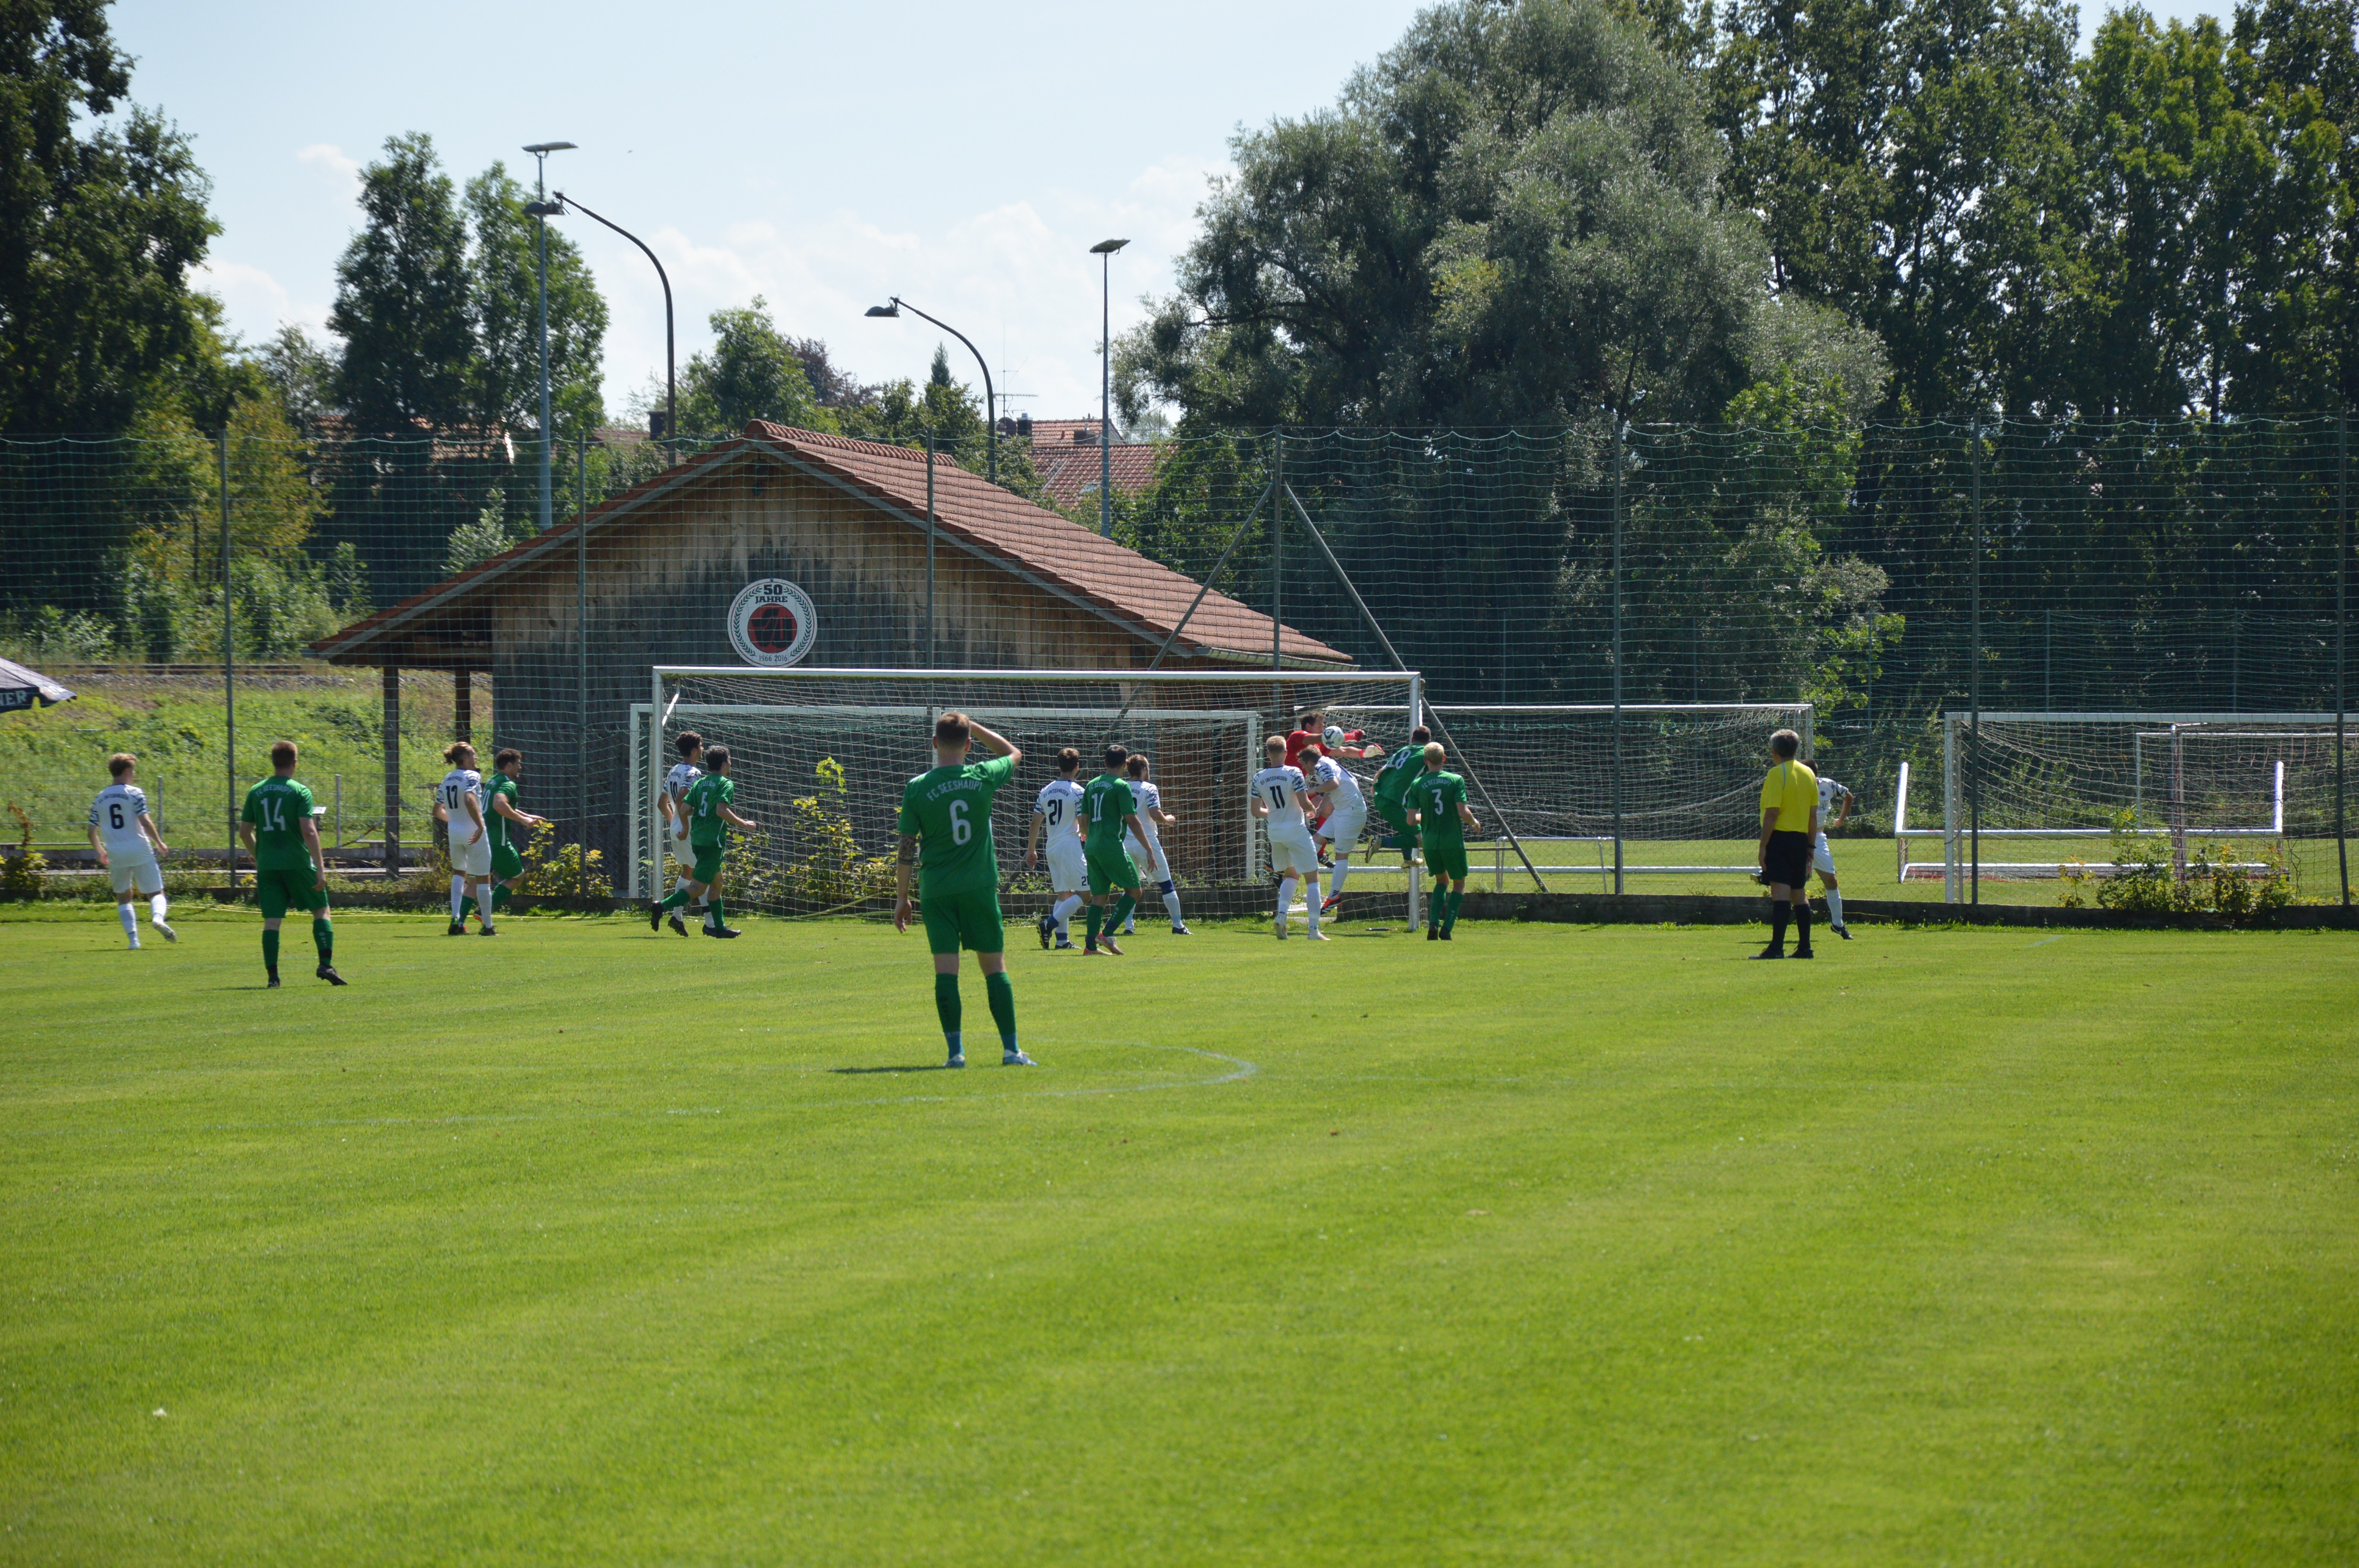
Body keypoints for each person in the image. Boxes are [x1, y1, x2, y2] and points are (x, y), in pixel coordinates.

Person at [894, 711, 1032, 1067]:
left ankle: (955, 1054)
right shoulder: (982, 775)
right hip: (978, 886)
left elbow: (906, 848)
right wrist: (976, 726)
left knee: (945, 970)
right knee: (994, 967)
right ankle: (1011, 1051)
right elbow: (1013, 753)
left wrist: (902, 897)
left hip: (937, 890)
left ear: (935, 743)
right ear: (969, 745)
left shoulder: (917, 787)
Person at [237, 740, 344, 987]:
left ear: (273, 762)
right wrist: (320, 868)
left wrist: (259, 856)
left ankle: (273, 977)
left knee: (272, 920)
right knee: (321, 909)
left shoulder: (256, 791)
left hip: (268, 865)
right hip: (297, 862)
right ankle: (325, 964)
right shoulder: (300, 791)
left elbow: (244, 832)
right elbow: (309, 831)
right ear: (295, 763)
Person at [651, 744, 756, 937]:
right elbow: (721, 811)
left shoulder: (700, 783)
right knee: (698, 888)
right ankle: (662, 906)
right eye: (729, 760)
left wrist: (692, 820)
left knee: (717, 882)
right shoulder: (725, 784)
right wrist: (745, 824)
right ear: (724, 764)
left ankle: (717, 928)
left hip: (698, 839)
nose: (730, 763)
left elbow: (684, 809)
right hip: (712, 842)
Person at [87, 752, 173, 949]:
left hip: (115, 852)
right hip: (139, 848)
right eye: (133, 770)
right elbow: (146, 822)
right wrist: (159, 842)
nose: (134, 774)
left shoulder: (100, 797)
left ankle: (134, 940)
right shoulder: (135, 793)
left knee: (124, 897)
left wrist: (101, 851)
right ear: (127, 771)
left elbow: (91, 831)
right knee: (156, 892)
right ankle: (158, 919)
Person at [1079, 742, 1153, 954]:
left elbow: (1083, 821)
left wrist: (1088, 834)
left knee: (1099, 897)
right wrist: (1148, 849)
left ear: (1105, 762)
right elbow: (1132, 820)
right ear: (1125, 764)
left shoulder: (1091, 785)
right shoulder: (1121, 786)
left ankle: (1090, 946)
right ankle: (1108, 933)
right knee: (1135, 891)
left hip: (1091, 846)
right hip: (1111, 845)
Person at [1754, 728, 1820, 960]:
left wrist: (1763, 846)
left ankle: (1776, 948)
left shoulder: (1776, 774)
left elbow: (1772, 813)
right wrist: (1811, 846)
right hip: (1801, 840)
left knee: (1780, 894)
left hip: (1780, 839)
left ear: (1774, 751)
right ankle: (1805, 948)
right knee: (1799, 893)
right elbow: (1813, 815)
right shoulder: (1809, 773)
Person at [1251, 734, 1324, 940]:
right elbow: (1304, 803)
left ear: (1267, 754)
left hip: (1275, 833)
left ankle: (1281, 917)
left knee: (1291, 875)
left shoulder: (1258, 778)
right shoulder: (1294, 772)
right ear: (1285, 752)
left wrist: (1274, 813)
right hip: (1296, 830)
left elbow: (1255, 811)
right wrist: (1314, 810)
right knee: (1313, 878)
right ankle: (1313, 930)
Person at [1404, 740, 1480, 941]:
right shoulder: (1456, 780)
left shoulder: (1417, 784)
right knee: (1459, 883)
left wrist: (1427, 815)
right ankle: (1447, 928)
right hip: (1452, 841)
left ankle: (1432, 924)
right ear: (1444, 759)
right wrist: (1474, 822)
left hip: (1430, 843)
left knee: (1441, 881)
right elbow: (1463, 812)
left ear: (1425, 761)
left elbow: (1411, 820)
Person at [1120, 752, 1191, 936]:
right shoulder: (1150, 788)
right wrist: (1167, 820)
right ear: (1144, 769)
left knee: (1130, 886)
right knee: (1166, 883)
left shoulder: (1121, 787)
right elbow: (1154, 813)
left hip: (1125, 842)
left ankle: (1128, 926)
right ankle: (1178, 925)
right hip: (1146, 841)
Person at [1024, 747, 1087, 950]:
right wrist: (1086, 832)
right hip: (1070, 845)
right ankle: (1048, 925)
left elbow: (1035, 822)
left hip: (1051, 847)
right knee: (1087, 892)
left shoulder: (1046, 790)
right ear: (1077, 767)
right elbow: (1082, 822)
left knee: (1064, 894)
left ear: (1059, 766)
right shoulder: (1078, 791)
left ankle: (1062, 941)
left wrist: (1031, 849)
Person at [434, 742, 497, 936]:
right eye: (474, 754)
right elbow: (469, 798)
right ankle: (488, 927)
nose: (476, 757)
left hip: (455, 832)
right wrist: (480, 825)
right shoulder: (472, 775)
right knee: (483, 877)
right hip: (473, 833)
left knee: (459, 873)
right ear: (466, 758)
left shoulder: (448, 778)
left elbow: (437, 811)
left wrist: (455, 821)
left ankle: (456, 920)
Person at [659, 732, 715, 936]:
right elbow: (682, 798)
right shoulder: (693, 773)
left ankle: (677, 917)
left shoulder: (674, 770)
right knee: (703, 874)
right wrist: (685, 825)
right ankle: (711, 924)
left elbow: (662, 803)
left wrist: (675, 823)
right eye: (701, 746)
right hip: (689, 829)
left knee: (688, 872)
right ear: (693, 750)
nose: (703, 749)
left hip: (678, 829)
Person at [483, 747, 549, 915]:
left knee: (477, 880)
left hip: (482, 836)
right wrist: (523, 820)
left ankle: (458, 921)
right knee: (517, 876)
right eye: (518, 764)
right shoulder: (508, 783)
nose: (520, 767)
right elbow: (499, 805)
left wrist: (527, 815)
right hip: (498, 839)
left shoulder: (493, 780)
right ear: (509, 765)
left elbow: (505, 806)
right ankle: (484, 911)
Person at [1308, 743, 1370, 913]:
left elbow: (1333, 784)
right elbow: (1331, 790)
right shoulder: (1327, 762)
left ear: (1310, 762)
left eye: (1304, 765)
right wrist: (1320, 809)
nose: (1304, 769)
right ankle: (1287, 871)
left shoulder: (1320, 766)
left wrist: (1313, 789)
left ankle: (1334, 896)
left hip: (1350, 813)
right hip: (1343, 810)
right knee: (1316, 841)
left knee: (1341, 856)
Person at [1370, 724, 1430, 881]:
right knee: (1422, 840)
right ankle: (1380, 842)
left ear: (1412, 739)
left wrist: (1374, 786)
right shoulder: (1426, 754)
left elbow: (1382, 771)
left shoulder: (1403, 750)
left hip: (1382, 796)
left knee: (1408, 828)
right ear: (1429, 742)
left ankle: (1408, 860)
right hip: (1394, 803)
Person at [1813, 771, 1855, 940]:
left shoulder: (1828, 785)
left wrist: (1841, 820)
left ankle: (1838, 924)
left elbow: (1848, 796)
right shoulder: (1795, 785)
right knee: (1791, 884)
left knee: (1831, 880)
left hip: (1818, 839)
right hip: (1797, 838)